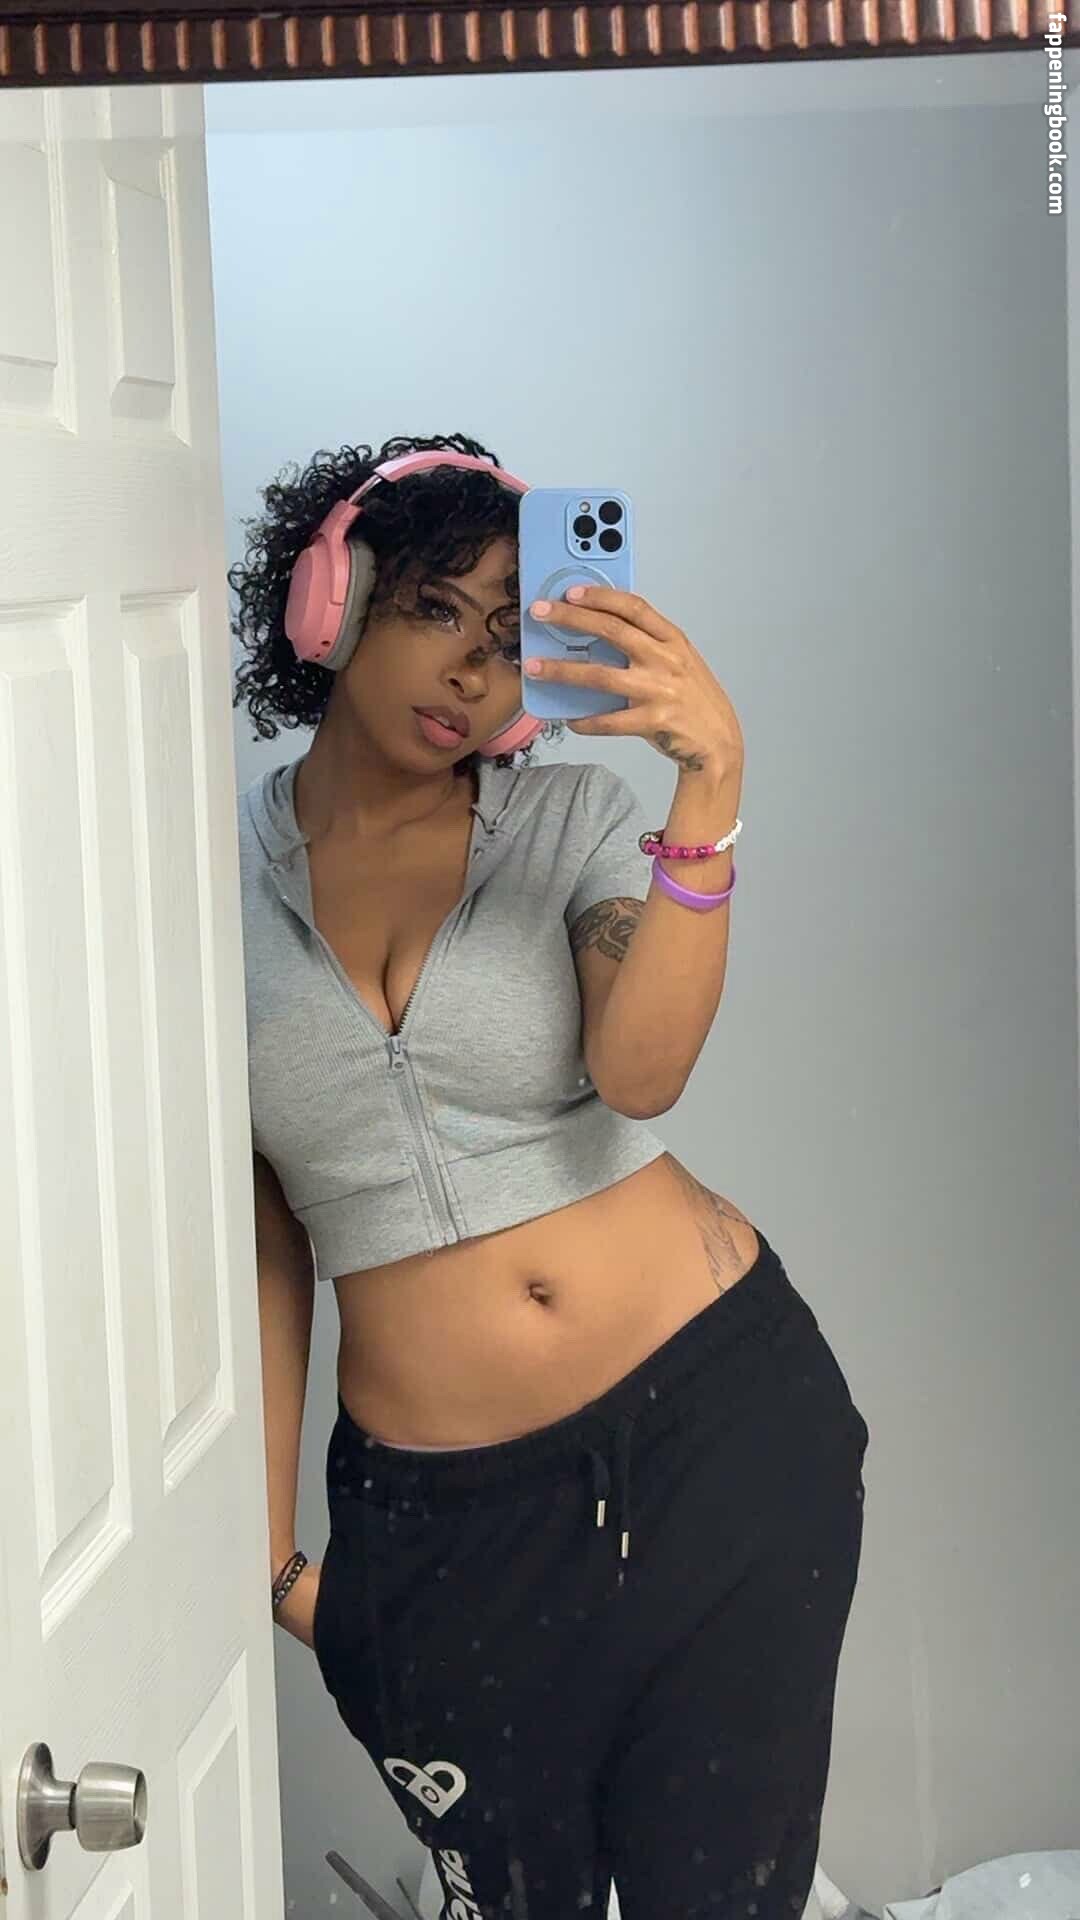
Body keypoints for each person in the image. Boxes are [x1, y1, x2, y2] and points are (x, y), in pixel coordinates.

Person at [232, 432, 869, 1920]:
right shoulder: (207, 891)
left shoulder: (568, 823)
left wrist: (709, 785)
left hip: (717, 1430)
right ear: (332, 601)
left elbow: (643, 1071)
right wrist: (272, 1559)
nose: (471, 670)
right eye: (435, 609)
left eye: (511, 640)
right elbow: (261, 1231)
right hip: (445, 1522)